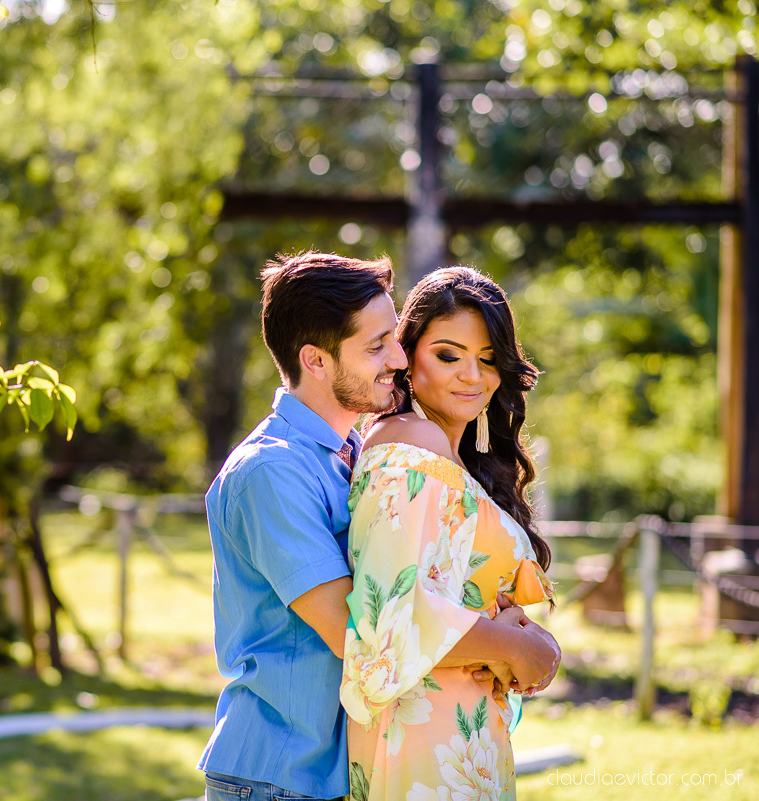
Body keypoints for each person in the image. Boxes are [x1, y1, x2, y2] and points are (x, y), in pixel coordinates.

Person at [341, 266, 561, 801]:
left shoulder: (450, 456)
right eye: (448, 354)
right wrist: (519, 646)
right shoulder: (404, 448)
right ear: (406, 355)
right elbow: (388, 619)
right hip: (420, 735)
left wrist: (518, 634)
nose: (472, 376)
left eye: (488, 359)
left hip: (466, 731)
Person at [198, 251, 408, 801]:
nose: (400, 357)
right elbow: (352, 631)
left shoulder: (354, 452)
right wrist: (495, 646)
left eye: (396, 337)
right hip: (279, 777)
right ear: (315, 360)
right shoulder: (272, 471)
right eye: (377, 345)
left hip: (333, 774)